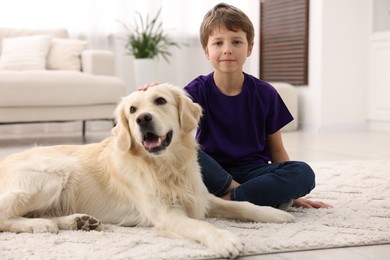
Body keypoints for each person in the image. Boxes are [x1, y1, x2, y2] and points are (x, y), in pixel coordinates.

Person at [141, 3, 330, 210]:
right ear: (206, 51)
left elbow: (277, 149)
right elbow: (170, 107)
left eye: (236, 42)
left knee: (303, 173)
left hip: (253, 171)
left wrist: (293, 193)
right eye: (218, 43)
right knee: (184, 148)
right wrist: (154, 93)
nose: (227, 50)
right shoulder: (197, 89)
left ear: (249, 48)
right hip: (209, 172)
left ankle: (225, 201)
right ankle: (250, 195)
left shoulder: (266, 93)